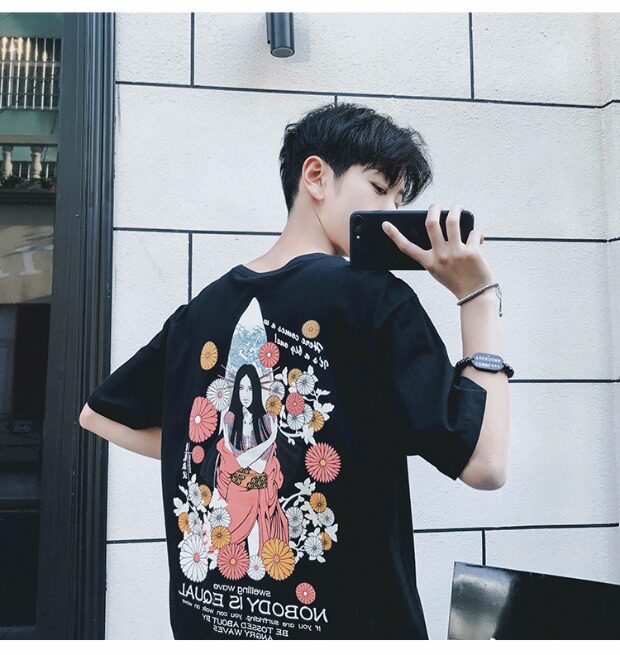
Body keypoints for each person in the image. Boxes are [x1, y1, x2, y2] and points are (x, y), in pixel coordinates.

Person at [79, 101, 509, 640]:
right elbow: (484, 464)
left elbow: (98, 414)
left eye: (400, 202)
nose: (390, 213)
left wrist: (208, 452)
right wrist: (477, 295)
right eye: (380, 190)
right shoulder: (374, 301)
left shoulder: (203, 310)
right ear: (316, 177)